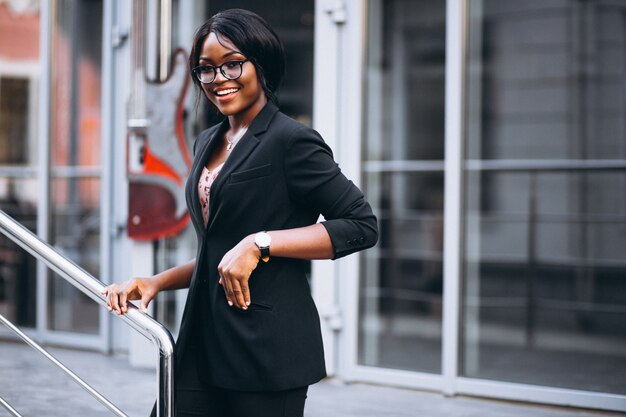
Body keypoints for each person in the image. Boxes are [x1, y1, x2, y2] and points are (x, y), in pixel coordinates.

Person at [102, 8, 378, 417]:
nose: (219, 80)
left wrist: (261, 243)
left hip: (265, 350)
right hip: (201, 341)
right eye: (206, 70)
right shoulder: (206, 141)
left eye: (232, 64)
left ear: (259, 62)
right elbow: (218, 249)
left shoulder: (292, 140)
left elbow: (361, 225)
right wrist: (156, 281)